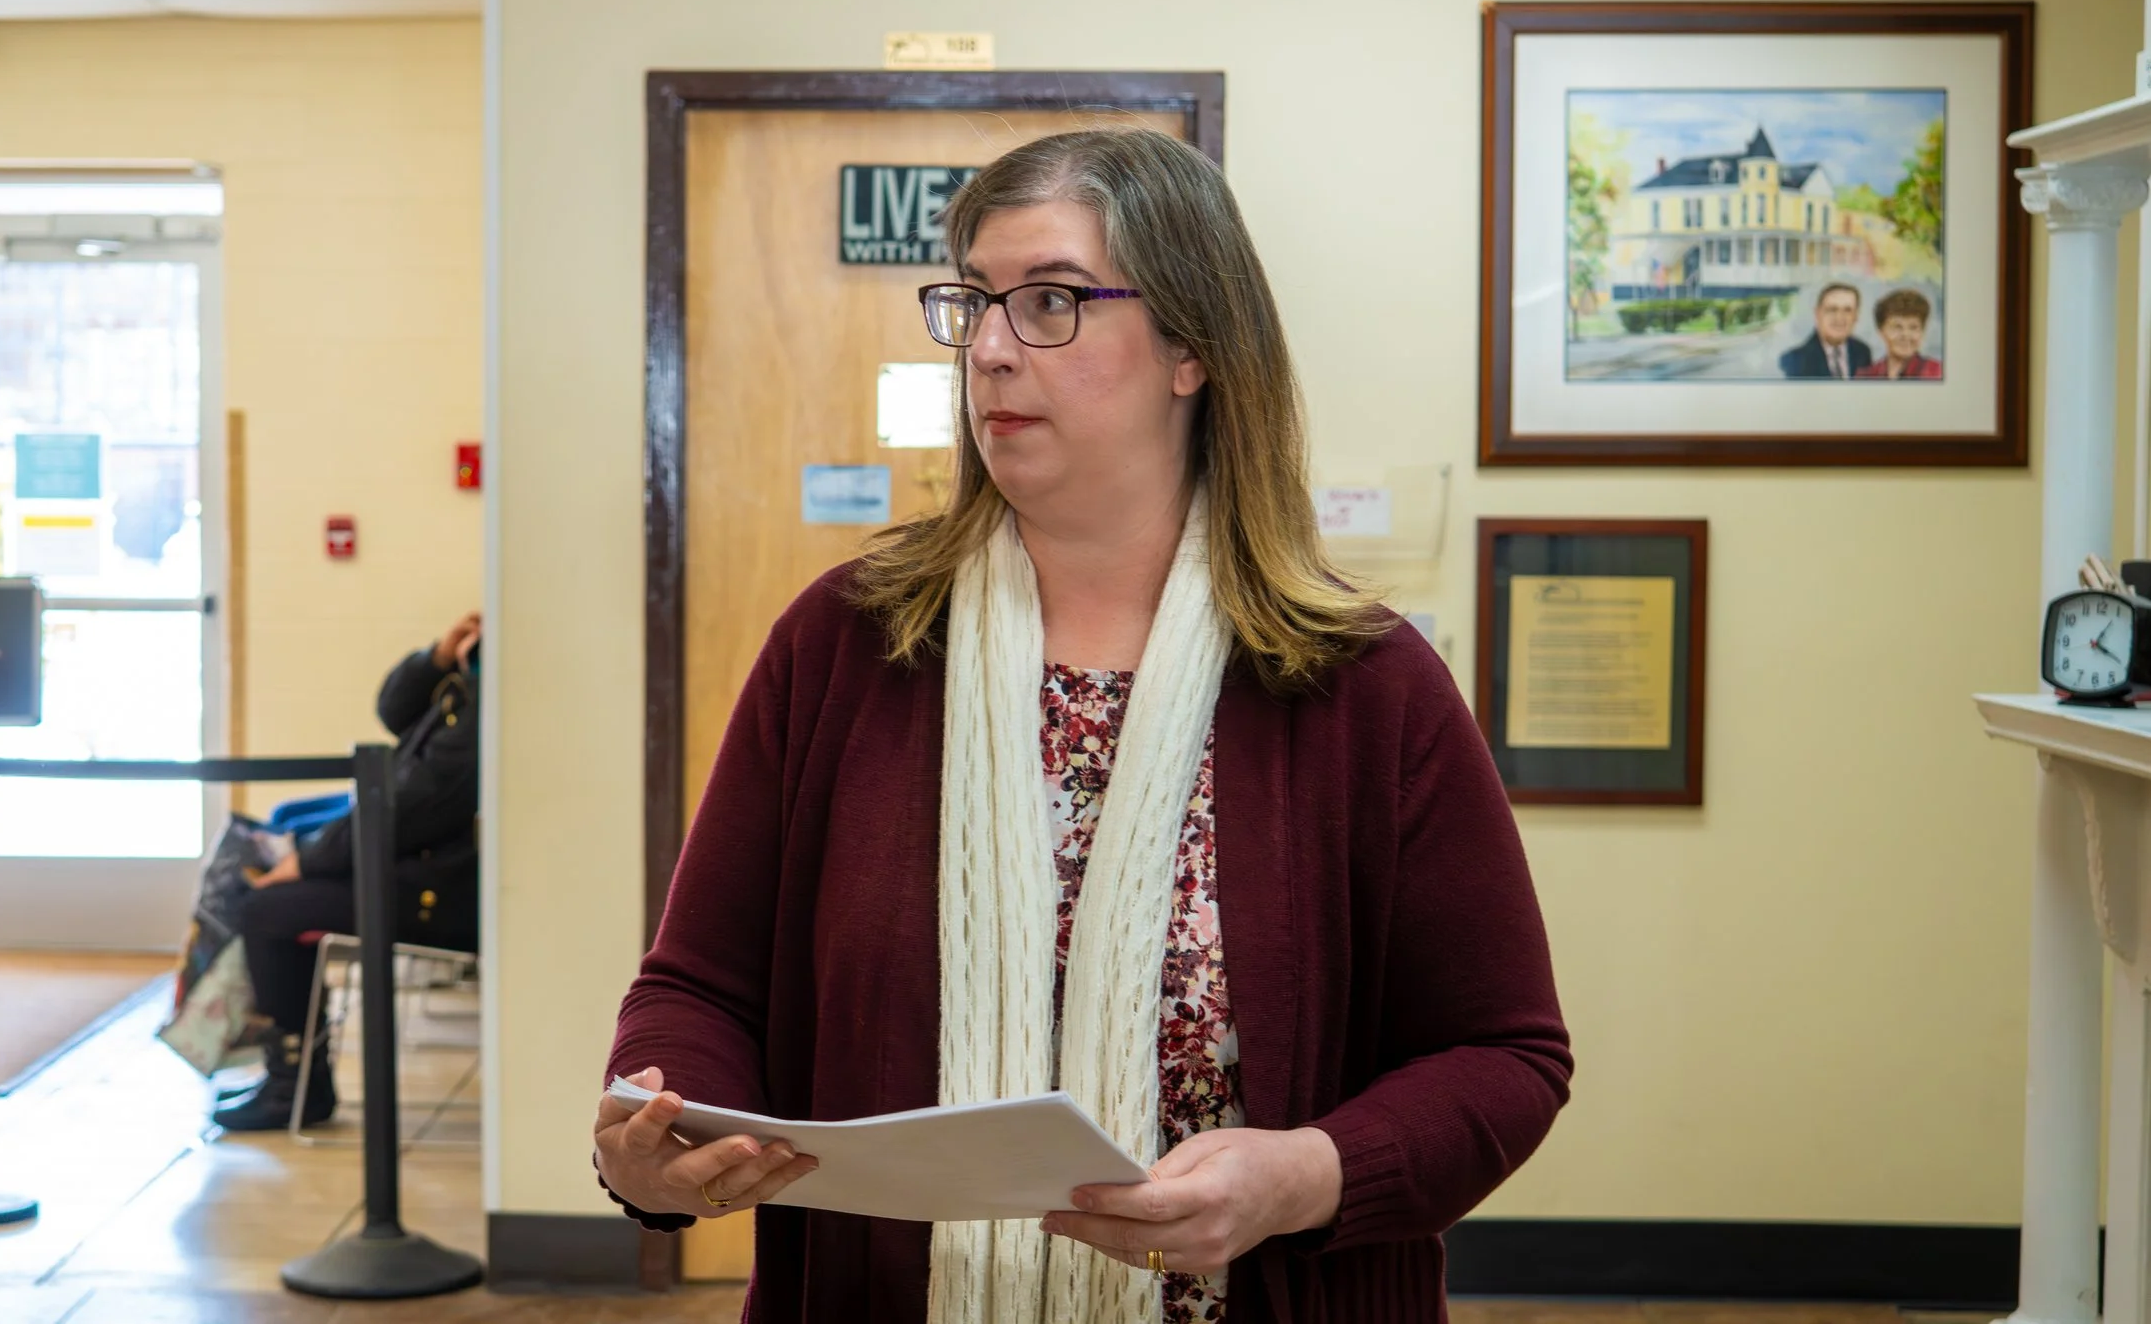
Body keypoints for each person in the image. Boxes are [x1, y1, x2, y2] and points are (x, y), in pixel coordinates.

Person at [594, 128, 1570, 1322]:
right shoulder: (848, 644)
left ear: (1191, 350)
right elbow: (700, 987)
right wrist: (653, 1137)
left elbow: (1504, 1058)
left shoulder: (1364, 687)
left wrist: (1304, 1178)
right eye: (974, 304)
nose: (993, 351)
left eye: (1050, 301)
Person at [210, 611, 482, 1133]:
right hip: (429, 872)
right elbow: (396, 710)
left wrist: (308, 860)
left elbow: (414, 805)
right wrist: (438, 659)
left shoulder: (496, 698)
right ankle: (294, 1079)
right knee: (273, 896)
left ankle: (295, 1089)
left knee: (268, 912)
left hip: (447, 893)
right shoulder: (474, 690)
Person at [1776, 282, 1874, 379]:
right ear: (1817, 314)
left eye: (1847, 310)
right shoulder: (1794, 361)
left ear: (1856, 316)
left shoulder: (1862, 352)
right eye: (1832, 310)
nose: (1839, 318)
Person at [1854, 288, 1944, 379]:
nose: (1905, 335)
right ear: (1881, 331)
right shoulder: (1866, 375)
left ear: (1922, 331)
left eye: (1913, 327)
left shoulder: (1937, 373)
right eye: (1897, 327)